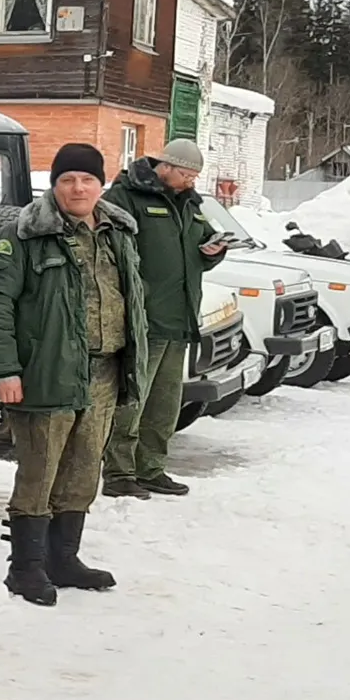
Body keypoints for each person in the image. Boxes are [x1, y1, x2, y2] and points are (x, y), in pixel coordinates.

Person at [0, 143, 148, 607]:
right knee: (39, 471)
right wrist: (6, 369)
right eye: (67, 180)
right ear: (54, 185)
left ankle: (64, 559)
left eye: (88, 180)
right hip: (46, 370)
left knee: (81, 472)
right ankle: (26, 569)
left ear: (102, 184)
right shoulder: (25, 236)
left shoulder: (118, 231)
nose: (78, 188)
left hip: (103, 371)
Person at [101, 138, 229, 498]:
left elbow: (201, 247)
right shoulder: (125, 198)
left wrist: (213, 251)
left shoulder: (190, 203)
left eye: (195, 176)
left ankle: (151, 468)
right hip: (144, 320)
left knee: (164, 404)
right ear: (166, 167)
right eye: (186, 174)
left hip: (179, 319)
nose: (191, 181)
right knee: (132, 400)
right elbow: (110, 254)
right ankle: (119, 473)